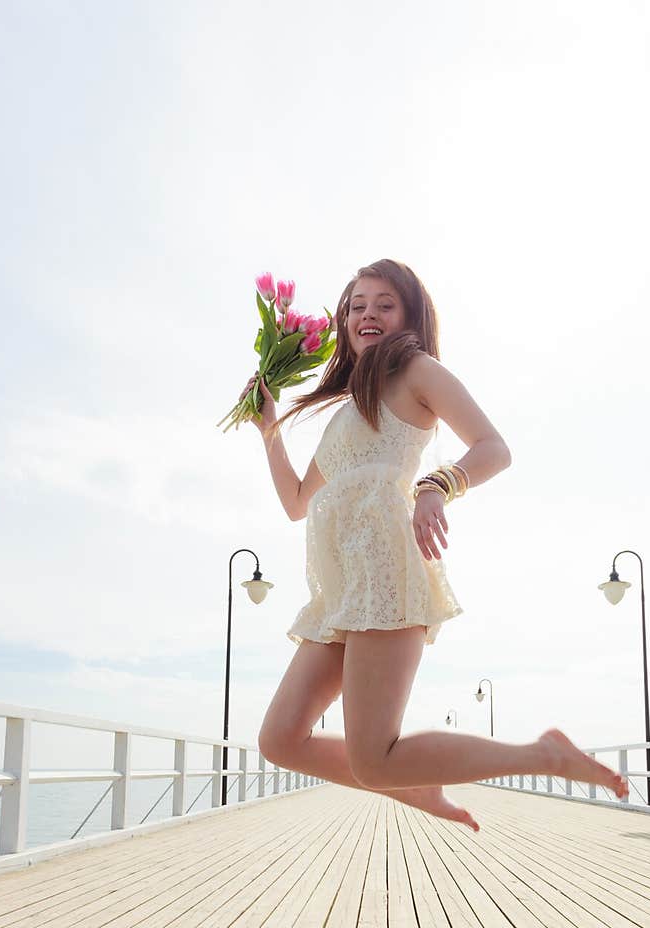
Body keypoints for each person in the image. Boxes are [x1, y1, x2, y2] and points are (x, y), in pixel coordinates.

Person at [250, 259, 628, 832]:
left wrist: (436, 484)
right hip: (341, 590)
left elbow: (493, 448)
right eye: (356, 305)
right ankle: (414, 783)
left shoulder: (418, 372)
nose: (367, 314)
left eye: (384, 303)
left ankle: (541, 755)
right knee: (280, 739)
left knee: (374, 758)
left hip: (386, 573)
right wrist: (269, 429)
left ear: (410, 315)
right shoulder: (346, 412)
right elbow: (297, 501)